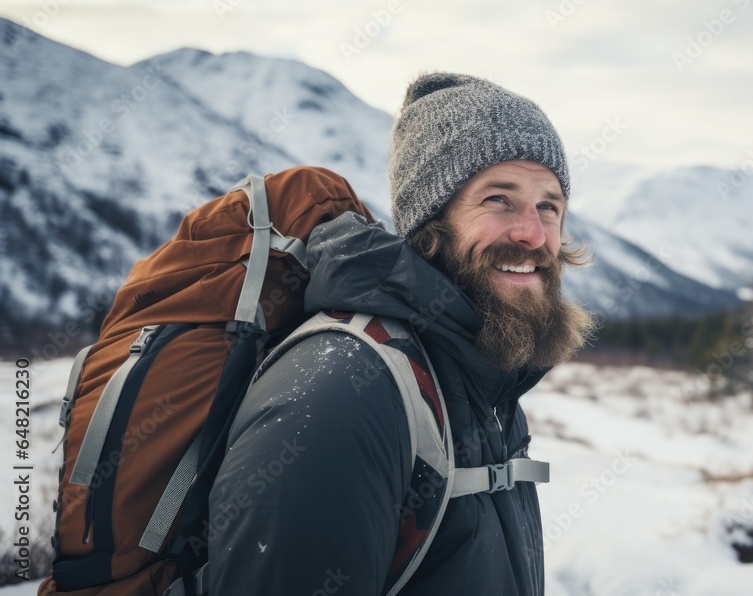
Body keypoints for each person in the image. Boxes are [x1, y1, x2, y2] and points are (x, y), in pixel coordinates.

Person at [208, 72, 596, 595]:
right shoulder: (344, 390)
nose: (532, 233)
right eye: (499, 199)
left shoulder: (479, 376)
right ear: (430, 222)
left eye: (548, 205)